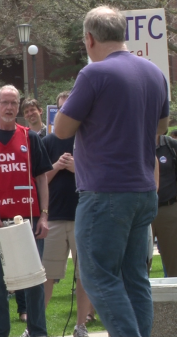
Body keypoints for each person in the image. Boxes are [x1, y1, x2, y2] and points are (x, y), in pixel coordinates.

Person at [54, 6, 169, 337]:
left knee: (97, 276)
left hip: (105, 193)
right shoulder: (154, 72)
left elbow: (61, 130)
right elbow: (161, 127)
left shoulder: (93, 74)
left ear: (89, 39)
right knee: (135, 278)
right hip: (143, 191)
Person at [0, 85, 52, 337]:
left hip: (29, 219)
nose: (10, 107)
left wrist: (44, 214)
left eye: (14, 103)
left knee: (35, 282)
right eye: (5, 102)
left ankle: (37, 332)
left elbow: (42, 178)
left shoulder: (30, 137)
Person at [42, 91, 93, 337]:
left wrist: (77, 168)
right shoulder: (48, 142)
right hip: (53, 217)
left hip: (84, 217)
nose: (67, 113)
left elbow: (99, 178)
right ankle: (37, 326)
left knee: (84, 276)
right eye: (62, 109)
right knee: (47, 275)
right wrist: (57, 166)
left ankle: (80, 325)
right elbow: (39, 180)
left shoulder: (90, 139)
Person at [154, 131, 177, 278]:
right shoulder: (134, 145)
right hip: (141, 210)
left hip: (168, 209)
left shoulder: (171, 146)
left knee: (173, 262)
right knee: (139, 261)